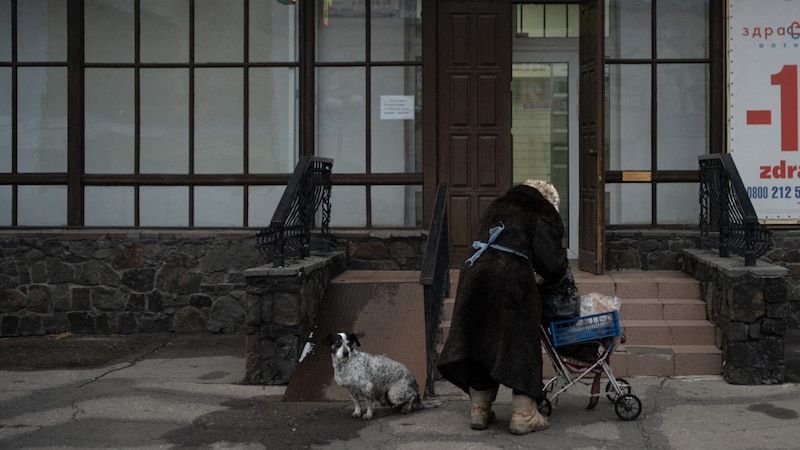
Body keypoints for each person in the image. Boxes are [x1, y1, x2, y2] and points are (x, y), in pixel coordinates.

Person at [437, 183, 572, 435]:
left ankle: (479, 410)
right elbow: (552, 264)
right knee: (520, 340)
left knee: (479, 339)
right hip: (509, 276)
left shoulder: (498, 204)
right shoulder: (541, 209)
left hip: (473, 273)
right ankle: (524, 415)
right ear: (549, 200)